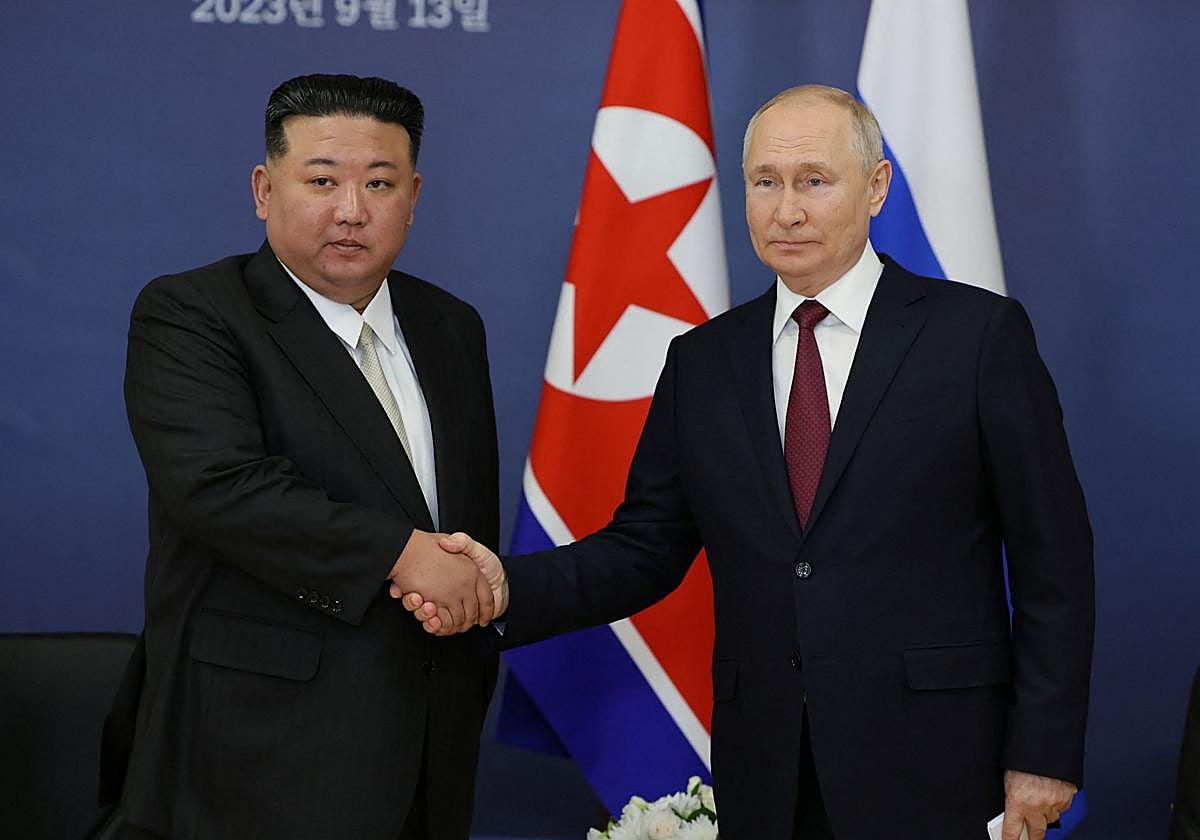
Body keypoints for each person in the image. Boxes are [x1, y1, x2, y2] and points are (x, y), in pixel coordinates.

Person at [406, 85, 1094, 840]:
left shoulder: (977, 336)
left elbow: (1053, 561)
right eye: (766, 182)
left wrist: (1043, 751)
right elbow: (644, 548)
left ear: (876, 188)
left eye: (813, 181)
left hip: (937, 763)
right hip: (767, 771)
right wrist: (505, 586)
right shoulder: (703, 360)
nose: (786, 210)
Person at [105, 74, 501, 840]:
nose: (352, 209)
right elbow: (221, 488)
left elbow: (459, 519)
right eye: (322, 180)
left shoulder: (452, 325)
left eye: (379, 183)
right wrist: (402, 555)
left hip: (430, 744)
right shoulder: (194, 313)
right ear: (264, 189)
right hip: (258, 751)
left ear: (414, 195)